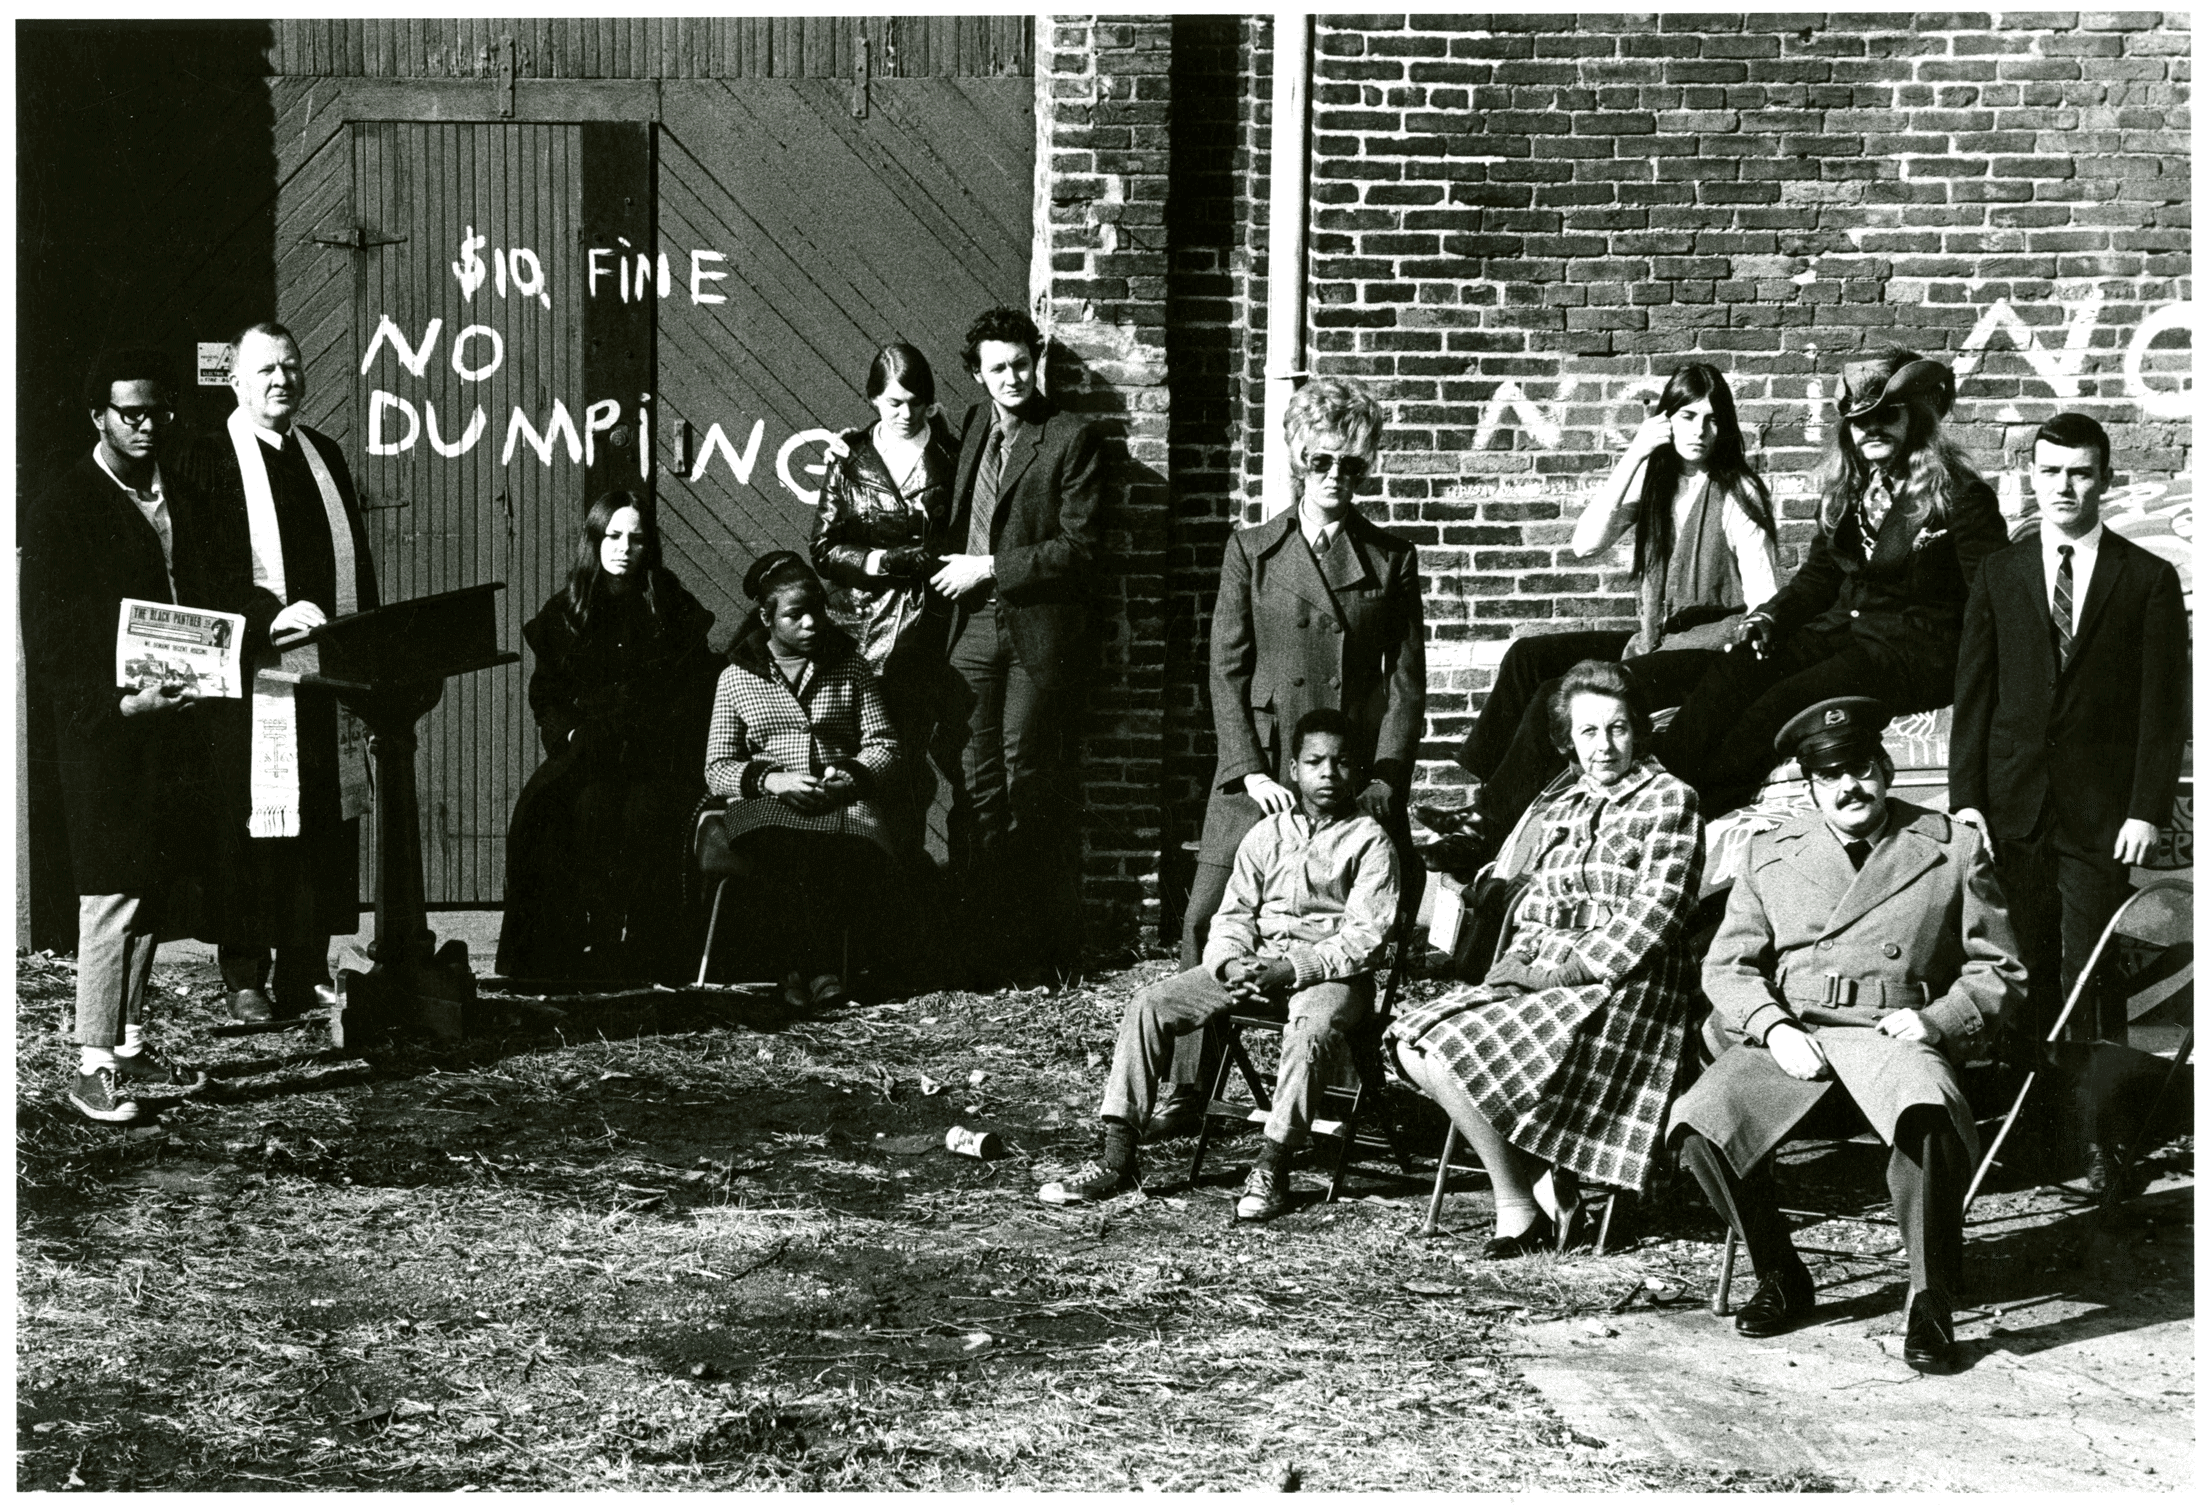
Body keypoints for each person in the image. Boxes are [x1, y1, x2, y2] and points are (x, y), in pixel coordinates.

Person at [1670, 697, 2025, 1375]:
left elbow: (2000, 967)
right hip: (1797, 1036)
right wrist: (1771, 1026)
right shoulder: (1771, 852)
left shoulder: (1952, 846)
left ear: (1885, 769)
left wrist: (1938, 1018)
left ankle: (1931, 1297)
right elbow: (1729, 964)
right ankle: (1780, 1270)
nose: (1849, 787)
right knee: (1700, 1126)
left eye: (1860, 768)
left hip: (1894, 1034)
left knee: (1926, 1110)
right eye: (1830, 776)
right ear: (1810, 785)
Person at [1155, 375, 1424, 1141]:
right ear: (1297, 461)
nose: (1337, 478)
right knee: (1208, 913)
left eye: (1353, 466)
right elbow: (1226, 669)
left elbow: (1407, 687)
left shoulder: (1391, 559)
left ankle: (1329, 1090)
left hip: (1347, 779)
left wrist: (1383, 782)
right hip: (1262, 770)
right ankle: (1187, 1085)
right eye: (1323, 462)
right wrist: (1249, 771)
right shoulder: (1253, 550)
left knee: (1347, 923)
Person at [1390, 661, 1704, 1257]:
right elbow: (1537, 904)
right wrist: (1516, 964)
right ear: (1568, 740)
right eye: (1588, 732)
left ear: (1637, 730)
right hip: (1549, 976)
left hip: (1628, 986)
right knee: (1414, 1043)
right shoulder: (1564, 806)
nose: (1604, 745)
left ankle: (1519, 1209)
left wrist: (1563, 973)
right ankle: (1533, 1186)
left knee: (1456, 1054)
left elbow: (1656, 914)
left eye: (1617, 729)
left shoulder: (1671, 800)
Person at [1038, 709, 1401, 1222]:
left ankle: (1272, 1164)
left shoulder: (1370, 841)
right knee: (1149, 1003)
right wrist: (1229, 963)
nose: (1327, 774)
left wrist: (1295, 968)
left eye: (1341, 763)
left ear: (1356, 772)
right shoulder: (1265, 834)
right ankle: (1116, 1158)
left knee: (1312, 1026)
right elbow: (1231, 915)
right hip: (1253, 966)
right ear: (1293, 770)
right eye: (1314, 762)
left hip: (1331, 975)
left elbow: (1367, 936)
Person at [1950, 412, 2187, 1179]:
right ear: (2032, 477)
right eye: (2051, 471)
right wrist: (1968, 800)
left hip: (2100, 819)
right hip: (2013, 811)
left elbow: (2163, 710)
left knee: (2089, 971)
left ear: (2104, 479)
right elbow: (1974, 697)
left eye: (2080, 472)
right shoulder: (2001, 573)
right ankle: (2035, 1127)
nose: (2064, 486)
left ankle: (2101, 1137)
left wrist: (2147, 807)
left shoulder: (2146, 578)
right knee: (2022, 971)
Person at [21, 349, 255, 1120]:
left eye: (157, 412)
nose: (147, 426)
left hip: (178, 723)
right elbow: (50, 637)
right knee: (111, 889)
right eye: (131, 414)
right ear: (98, 417)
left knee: (153, 883)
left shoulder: (181, 491)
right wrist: (114, 706)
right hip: (108, 728)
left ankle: (126, 1041)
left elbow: (217, 588)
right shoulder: (64, 505)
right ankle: (91, 1063)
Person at [1430, 363, 1779, 866]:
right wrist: (1635, 452)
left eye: (1711, 419)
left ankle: (1484, 828)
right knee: (1529, 657)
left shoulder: (1737, 493)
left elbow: (1765, 595)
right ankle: (1487, 800)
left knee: (1565, 693)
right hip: (1655, 637)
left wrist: (1752, 639)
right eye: (1686, 416)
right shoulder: (1657, 484)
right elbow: (1584, 544)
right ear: (1665, 421)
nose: (1699, 431)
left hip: (1708, 650)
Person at [1653, 350, 2007, 819]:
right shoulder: (1853, 490)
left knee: (1782, 701)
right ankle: (1660, 788)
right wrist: (1770, 617)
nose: (1872, 428)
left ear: (1915, 418)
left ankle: (1695, 810)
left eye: (1887, 415)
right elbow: (1819, 579)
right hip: (1845, 635)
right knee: (1737, 668)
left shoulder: (1960, 495)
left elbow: (1991, 601)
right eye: (1860, 420)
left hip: (1913, 652)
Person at [175, 320, 380, 1021]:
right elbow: (203, 565)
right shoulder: (209, 459)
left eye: (290, 367)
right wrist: (268, 616)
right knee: (255, 826)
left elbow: (356, 559)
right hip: (252, 677)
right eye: (265, 369)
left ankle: (303, 965)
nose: (280, 381)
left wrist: (363, 639)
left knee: (320, 820)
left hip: (325, 674)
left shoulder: (323, 455)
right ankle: (244, 974)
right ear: (235, 378)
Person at [936, 306, 1102, 984]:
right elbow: (910, 440)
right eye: (997, 367)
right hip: (971, 628)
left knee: (1023, 777)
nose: (1012, 377)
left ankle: (1032, 947)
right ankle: (978, 942)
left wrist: (991, 568)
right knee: (974, 782)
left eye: (1021, 364)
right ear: (978, 374)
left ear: (1038, 362)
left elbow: (1080, 548)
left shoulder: (1069, 437)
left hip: (1032, 632)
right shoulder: (976, 426)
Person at [497, 491, 722, 981]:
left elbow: (697, 688)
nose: (624, 547)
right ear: (594, 540)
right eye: (613, 536)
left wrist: (664, 736)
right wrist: (572, 734)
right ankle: (571, 952)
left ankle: (642, 952)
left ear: (650, 546)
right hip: (589, 753)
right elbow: (547, 696)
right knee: (567, 812)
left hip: (655, 757)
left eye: (636, 538)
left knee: (646, 815)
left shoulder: (671, 606)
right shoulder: (567, 611)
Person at [703, 551, 900, 1008]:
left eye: (818, 611)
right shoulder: (736, 678)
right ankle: (818, 970)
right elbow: (717, 767)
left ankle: (796, 972)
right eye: (796, 614)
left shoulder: (849, 667)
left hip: (840, 800)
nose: (812, 623)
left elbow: (884, 743)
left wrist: (847, 777)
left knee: (834, 851)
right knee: (784, 850)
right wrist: (772, 781)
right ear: (767, 618)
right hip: (767, 804)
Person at [811, 341, 959, 858]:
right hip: (859, 629)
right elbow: (824, 548)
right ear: (874, 399)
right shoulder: (851, 458)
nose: (905, 413)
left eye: (916, 402)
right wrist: (879, 563)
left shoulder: (952, 459)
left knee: (910, 765)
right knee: (854, 762)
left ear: (930, 404)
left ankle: (903, 890)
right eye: (894, 402)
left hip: (927, 633)